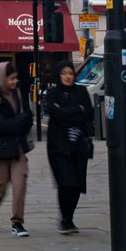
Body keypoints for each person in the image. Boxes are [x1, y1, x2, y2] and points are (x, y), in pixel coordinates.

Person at [0, 61, 34, 237]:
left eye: (15, 78)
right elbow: (1, 125)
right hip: (1, 150)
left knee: (20, 186)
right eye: (11, 79)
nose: (14, 82)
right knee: (0, 188)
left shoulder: (18, 93)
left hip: (18, 148)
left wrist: (21, 122)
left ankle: (17, 222)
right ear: (2, 79)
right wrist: (20, 122)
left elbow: (28, 117)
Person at [46, 62, 94, 233]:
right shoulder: (52, 93)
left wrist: (65, 111)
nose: (67, 76)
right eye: (64, 73)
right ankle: (65, 218)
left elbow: (89, 113)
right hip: (58, 146)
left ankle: (69, 218)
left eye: (70, 73)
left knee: (76, 184)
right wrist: (77, 109)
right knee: (65, 182)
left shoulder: (81, 91)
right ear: (58, 75)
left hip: (78, 145)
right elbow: (53, 112)